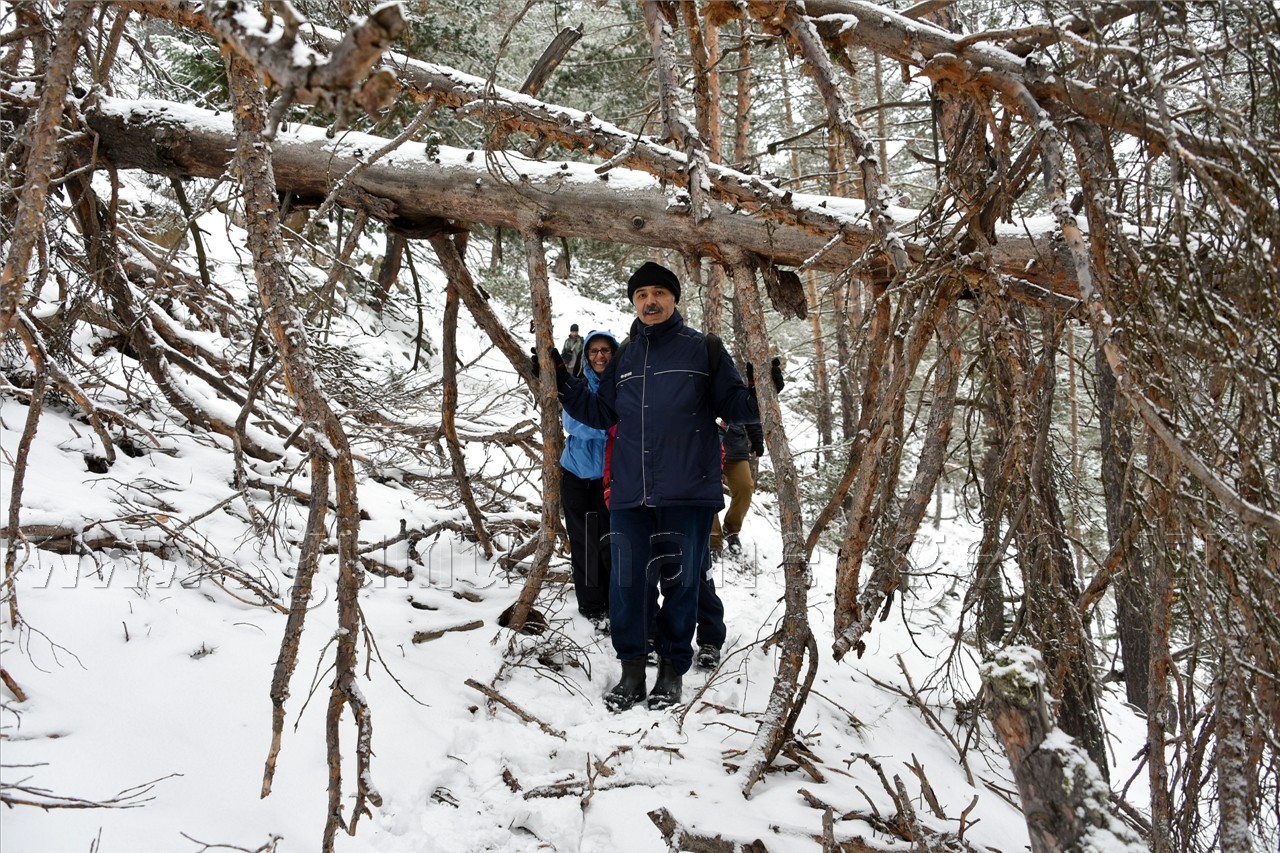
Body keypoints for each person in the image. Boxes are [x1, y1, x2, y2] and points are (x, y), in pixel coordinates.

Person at [547, 260, 784, 712]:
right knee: (626, 584)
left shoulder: (704, 350)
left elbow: (737, 407)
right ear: (634, 303)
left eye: (658, 293)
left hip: (687, 491)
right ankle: (633, 669)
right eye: (641, 295)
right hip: (632, 493)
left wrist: (761, 389)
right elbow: (601, 413)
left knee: (681, 584)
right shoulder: (627, 358)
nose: (650, 301)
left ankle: (672, 671)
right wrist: (563, 382)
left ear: (674, 299)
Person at [558, 330, 619, 630]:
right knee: (584, 542)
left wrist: (599, 421)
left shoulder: (622, 387)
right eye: (594, 351)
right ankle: (592, 605)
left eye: (605, 350)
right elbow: (572, 423)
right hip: (576, 475)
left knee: (611, 542)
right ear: (586, 355)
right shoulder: (577, 385)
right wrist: (607, 425)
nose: (600, 356)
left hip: (610, 480)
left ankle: (613, 601)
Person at [710, 420, 764, 559]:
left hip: (735, 448)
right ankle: (714, 542)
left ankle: (731, 530)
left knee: (745, 486)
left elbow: (749, 413)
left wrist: (757, 439)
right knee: (709, 492)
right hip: (707, 448)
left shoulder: (736, 396)